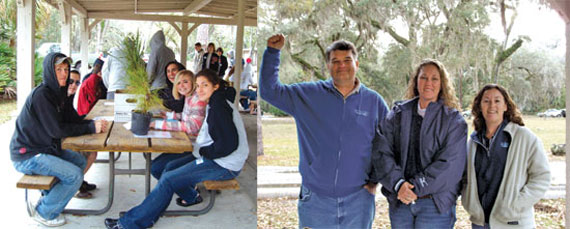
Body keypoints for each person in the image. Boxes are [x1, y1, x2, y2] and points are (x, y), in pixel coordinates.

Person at [260, 34, 389, 228]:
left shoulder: (374, 101)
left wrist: (374, 181)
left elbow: (387, 145)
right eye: (335, 61)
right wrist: (272, 53)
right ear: (328, 66)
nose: (342, 65)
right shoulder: (308, 95)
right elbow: (270, 91)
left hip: (359, 201)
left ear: (357, 63)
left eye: (347, 60)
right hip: (315, 200)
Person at [104, 69, 248, 229]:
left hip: (225, 164)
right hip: (214, 155)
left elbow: (229, 144)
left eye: (204, 85)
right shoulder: (214, 102)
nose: (199, 89)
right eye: (198, 85)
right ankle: (166, 206)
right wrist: (203, 151)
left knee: (168, 179)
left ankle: (130, 223)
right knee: (165, 168)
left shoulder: (218, 107)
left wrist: (204, 152)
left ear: (215, 86)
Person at [10, 53, 108, 227]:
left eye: (65, 69)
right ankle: (44, 212)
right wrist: (91, 128)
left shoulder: (60, 92)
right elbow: (57, 131)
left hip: (46, 148)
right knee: (74, 175)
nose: (64, 74)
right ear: (49, 71)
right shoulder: (42, 95)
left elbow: (72, 118)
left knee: (79, 159)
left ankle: (50, 199)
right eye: (59, 70)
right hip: (29, 155)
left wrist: (92, 122)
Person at [371, 59, 467, 229]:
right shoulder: (397, 114)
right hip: (401, 202)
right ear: (416, 81)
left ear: (442, 83)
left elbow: (450, 165)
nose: (428, 83)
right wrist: (399, 184)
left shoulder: (453, 121)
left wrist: (415, 188)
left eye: (434, 78)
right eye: (423, 78)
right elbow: (381, 152)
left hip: (435, 204)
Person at [462, 84, 551, 228]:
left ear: (505, 106)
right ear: (479, 106)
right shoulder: (473, 142)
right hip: (480, 223)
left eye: (497, 101)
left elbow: (542, 177)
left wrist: (515, 205)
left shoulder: (524, 137)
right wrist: (469, 201)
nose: (492, 105)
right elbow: (465, 178)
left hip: (512, 221)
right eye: (486, 101)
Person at [150, 70, 207, 180]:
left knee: (157, 168)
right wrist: (170, 116)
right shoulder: (189, 96)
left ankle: (192, 193)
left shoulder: (198, 100)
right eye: (178, 83)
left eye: (185, 82)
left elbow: (191, 127)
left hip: (195, 146)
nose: (181, 86)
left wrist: (159, 124)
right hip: (187, 142)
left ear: (193, 82)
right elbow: (187, 116)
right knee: (156, 165)